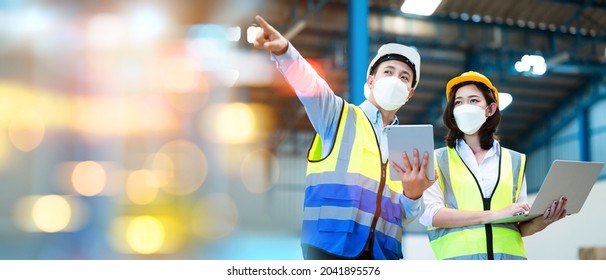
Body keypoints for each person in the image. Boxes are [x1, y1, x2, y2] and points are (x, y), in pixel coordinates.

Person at [252, 15, 436, 260]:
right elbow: (310, 85)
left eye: (404, 77)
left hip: (383, 255)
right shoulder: (337, 115)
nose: (395, 80)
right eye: (388, 72)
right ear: (371, 80)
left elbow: (404, 215)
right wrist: (285, 51)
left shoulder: (408, 146)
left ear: (410, 93)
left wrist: (414, 195)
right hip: (329, 249)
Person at [419, 71, 568, 260]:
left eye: (473, 100)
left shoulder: (515, 161)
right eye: (458, 102)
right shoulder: (436, 159)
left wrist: (542, 222)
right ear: (453, 113)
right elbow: (432, 215)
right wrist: (494, 214)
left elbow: (518, 226)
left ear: (490, 109)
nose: (465, 107)